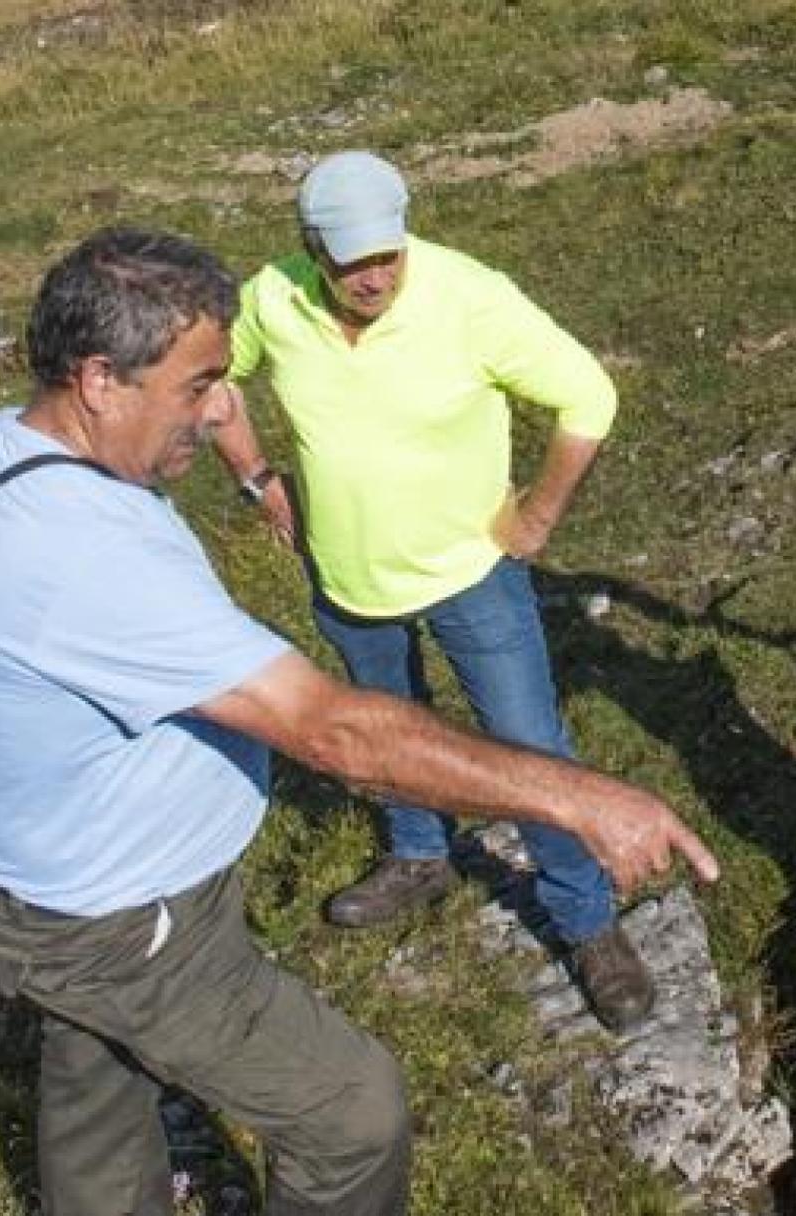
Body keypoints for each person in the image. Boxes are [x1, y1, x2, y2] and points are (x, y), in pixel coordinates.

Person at [0, 227, 718, 1215]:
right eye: (197, 384)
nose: (219, 411)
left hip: (39, 883)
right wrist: (580, 794)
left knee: (96, 1074)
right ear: (98, 379)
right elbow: (338, 733)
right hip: (128, 922)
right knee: (351, 1112)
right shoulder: (80, 555)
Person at [211, 151, 660, 1029]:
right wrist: (257, 476)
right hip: (346, 576)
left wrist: (534, 519)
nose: (372, 275)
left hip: (472, 575)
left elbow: (588, 397)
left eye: (387, 252)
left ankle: (586, 918)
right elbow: (212, 374)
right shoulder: (274, 296)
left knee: (526, 737)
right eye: (348, 259)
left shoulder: (469, 296)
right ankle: (421, 852)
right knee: (385, 727)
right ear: (309, 248)